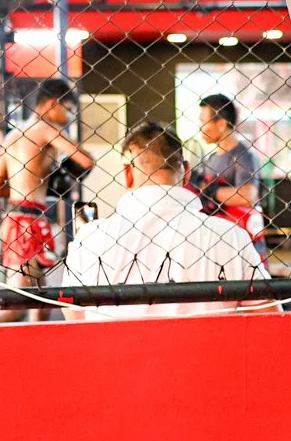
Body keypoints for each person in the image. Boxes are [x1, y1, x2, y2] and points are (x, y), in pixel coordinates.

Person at [61, 120, 267, 319]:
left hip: (116, 353)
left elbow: (75, 318)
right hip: (204, 353)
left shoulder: (90, 239)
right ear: (187, 172)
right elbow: (266, 317)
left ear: (127, 174)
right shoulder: (230, 237)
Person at [0, 79, 94, 322]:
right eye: (67, 109)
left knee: (40, 302)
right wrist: (55, 179)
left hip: (15, 216)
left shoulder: (12, 136)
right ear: (53, 104)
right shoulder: (47, 129)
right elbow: (86, 160)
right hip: (28, 221)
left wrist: (29, 182)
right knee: (17, 304)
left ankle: (35, 352)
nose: (68, 117)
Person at [192, 94, 265, 245]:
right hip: (216, 238)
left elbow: (247, 196)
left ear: (221, 124)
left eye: (203, 122)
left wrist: (210, 191)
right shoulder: (209, 159)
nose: (201, 128)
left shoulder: (244, 156)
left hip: (243, 241)